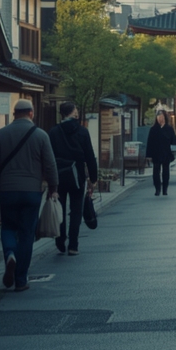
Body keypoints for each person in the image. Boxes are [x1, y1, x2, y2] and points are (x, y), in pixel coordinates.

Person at [0, 98, 59, 291]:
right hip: (31, 192)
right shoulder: (41, 135)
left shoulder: (2, 134)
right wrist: (53, 187)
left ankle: (10, 254)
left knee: (8, 227)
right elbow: (50, 165)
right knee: (27, 233)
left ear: (15, 114)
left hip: (8, 190)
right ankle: (21, 280)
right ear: (31, 113)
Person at [48, 101, 99, 256]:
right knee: (76, 210)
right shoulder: (82, 131)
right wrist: (93, 178)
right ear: (73, 112)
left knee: (60, 208)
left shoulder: (54, 132)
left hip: (59, 175)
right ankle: (73, 245)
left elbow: (49, 157)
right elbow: (89, 155)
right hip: (77, 175)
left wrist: (48, 178)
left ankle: (60, 238)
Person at [146, 110, 176, 196]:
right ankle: (157, 188)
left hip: (166, 153)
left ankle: (165, 188)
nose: (160, 119)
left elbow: (174, 140)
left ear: (165, 118)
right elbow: (150, 143)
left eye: (162, 117)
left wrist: (173, 152)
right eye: (159, 117)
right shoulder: (153, 129)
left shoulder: (169, 129)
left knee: (166, 171)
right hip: (155, 153)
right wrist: (148, 155)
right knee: (156, 171)